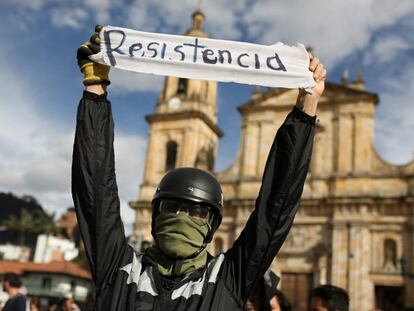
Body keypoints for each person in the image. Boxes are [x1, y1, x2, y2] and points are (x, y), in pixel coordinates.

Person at [72, 25, 326, 311]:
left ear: (213, 223)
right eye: (172, 208)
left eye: (197, 211)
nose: (183, 216)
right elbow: (94, 191)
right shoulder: (120, 268)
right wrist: (94, 89)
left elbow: (276, 206)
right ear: (155, 214)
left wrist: (307, 105)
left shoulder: (228, 278)